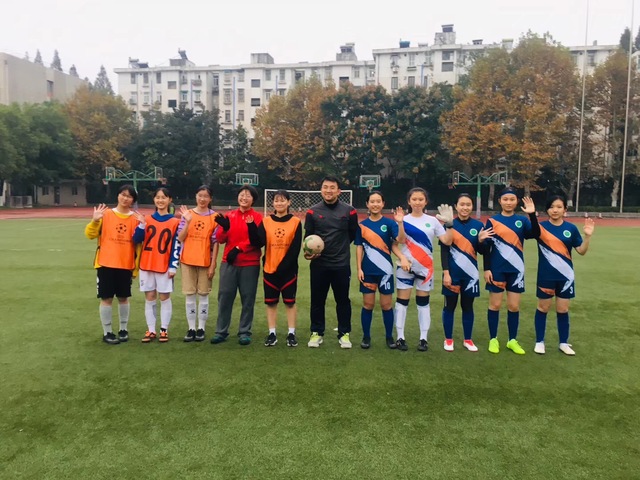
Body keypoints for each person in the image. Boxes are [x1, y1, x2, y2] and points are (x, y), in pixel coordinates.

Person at [533, 195, 594, 355]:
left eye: (559, 207)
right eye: (552, 207)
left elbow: (581, 251)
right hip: (546, 275)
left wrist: (587, 236)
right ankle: (539, 342)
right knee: (543, 308)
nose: (555, 210)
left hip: (566, 277)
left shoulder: (571, 229)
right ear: (547, 209)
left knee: (563, 309)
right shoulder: (541, 227)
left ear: (565, 210)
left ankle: (563, 343)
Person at [394, 188, 453, 351]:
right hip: (405, 267)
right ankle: (400, 337)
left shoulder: (433, 221)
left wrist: (450, 224)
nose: (417, 202)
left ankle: (423, 339)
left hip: (426, 269)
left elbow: (447, 241)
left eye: (421, 199)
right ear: (409, 201)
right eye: (414, 199)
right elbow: (398, 242)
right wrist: (400, 224)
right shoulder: (402, 219)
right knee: (402, 302)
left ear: (426, 201)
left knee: (423, 303)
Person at [483, 187, 540, 355]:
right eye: (505, 199)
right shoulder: (492, 221)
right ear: (500, 201)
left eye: (512, 199)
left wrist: (532, 215)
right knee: (495, 305)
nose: (509, 202)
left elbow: (535, 234)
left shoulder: (522, 221)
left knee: (514, 306)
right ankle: (493, 339)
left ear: (517, 201)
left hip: (516, 270)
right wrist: (487, 268)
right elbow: (486, 247)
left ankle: (512, 340)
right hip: (496, 269)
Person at [305, 176, 359, 349]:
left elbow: (352, 234)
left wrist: (339, 248)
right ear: (321, 189)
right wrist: (309, 253)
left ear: (338, 191)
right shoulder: (312, 212)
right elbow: (308, 237)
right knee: (317, 300)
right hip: (319, 265)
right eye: (325, 187)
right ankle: (316, 332)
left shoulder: (349, 211)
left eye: (332, 187)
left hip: (341, 264)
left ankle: (344, 334)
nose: (328, 190)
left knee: (343, 300)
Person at [246, 190, 302, 347]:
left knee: (290, 302)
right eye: (276, 200)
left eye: (283, 200)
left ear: (289, 202)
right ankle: (272, 333)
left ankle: (291, 333)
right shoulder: (266, 221)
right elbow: (258, 243)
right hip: (270, 269)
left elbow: (295, 248)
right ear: (273, 203)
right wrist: (251, 227)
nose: (279, 203)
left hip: (288, 271)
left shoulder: (296, 222)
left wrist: (283, 267)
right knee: (271, 303)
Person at [84, 184, 140, 344]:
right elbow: (90, 235)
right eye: (123, 194)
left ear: (133, 200)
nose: (125, 198)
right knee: (106, 298)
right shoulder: (106, 215)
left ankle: (123, 329)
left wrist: (135, 269)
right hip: (105, 264)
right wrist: (95, 221)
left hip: (125, 264)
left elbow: (138, 246)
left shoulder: (136, 219)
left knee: (123, 297)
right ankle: (107, 332)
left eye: (129, 196)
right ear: (118, 195)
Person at [210, 185, 263, 346]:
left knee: (248, 297)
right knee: (225, 296)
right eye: (242, 195)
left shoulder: (257, 217)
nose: (244, 198)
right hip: (229, 263)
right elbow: (220, 239)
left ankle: (244, 331)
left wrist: (240, 248)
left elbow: (257, 240)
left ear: (253, 199)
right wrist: (224, 228)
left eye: (248, 195)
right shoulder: (230, 215)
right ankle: (221, 331)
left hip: (249, 263)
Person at [355, 191, 408, 349]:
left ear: (383, 204)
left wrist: (400, 223)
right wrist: (359, 268)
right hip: (368, 271)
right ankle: (366, 337)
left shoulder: (390, 223)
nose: (375, 204)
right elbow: (359, 247)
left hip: (385, 272)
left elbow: (401, 240)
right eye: (372, 201)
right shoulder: (362, 225)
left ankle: (389, 337)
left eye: (378, 201)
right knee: (368, 304)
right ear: (367, 204)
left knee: (386, 305)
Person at [440, 193, 492, 352]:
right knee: (450, 306)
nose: (465, 207)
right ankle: (448, 339)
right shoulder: (449, 225)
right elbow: (444, 250)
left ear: (472, 207)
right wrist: (446, 273)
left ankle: (468, 339)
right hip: (452, 274)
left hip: (470, 275)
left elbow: (483, 251)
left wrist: (481, 240)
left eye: (468, 204)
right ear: (456, 206)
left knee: (468, 307)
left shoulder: (478, 226)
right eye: (462, 204)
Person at [133, 187, 180, 343]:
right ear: (154, 199)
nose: (160, 200)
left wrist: (173, 265)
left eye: (164, 197)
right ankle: (151, 330)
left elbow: (176, 245)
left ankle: (164, 329)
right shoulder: (146, 219)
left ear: (169, 200)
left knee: (164, 297)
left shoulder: (175, 222)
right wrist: (141, 225)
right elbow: (136, 239)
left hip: (164, 265)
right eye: (158, 197)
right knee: (150, 297)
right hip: (147, 264)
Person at [177, 186, 219, 342]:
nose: (202, 199)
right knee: (190, 294)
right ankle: (191, 328)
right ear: (195, 196)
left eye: (206, 196)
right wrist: (188, 222)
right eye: (200, 195)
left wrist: (213, 264)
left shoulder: (215, 217)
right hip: (187, 260)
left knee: (203, 294)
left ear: (210, 199)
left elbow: (216, 242)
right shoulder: (187, 214)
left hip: (205, 261)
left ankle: (201, 328)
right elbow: (180, 238)